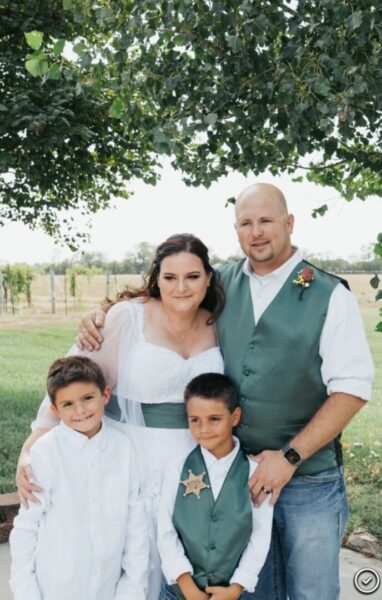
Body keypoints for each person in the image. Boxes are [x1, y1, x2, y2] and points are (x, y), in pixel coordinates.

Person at [72, 183, 374, 600]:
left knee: (312, 591)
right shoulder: (223, 283)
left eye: (266, 221)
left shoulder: (329, 294)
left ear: (289, 223)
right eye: (245, 223)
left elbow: (353, 389)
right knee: (250, 590)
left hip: (307, 477)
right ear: (236, 230)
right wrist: (103, 316)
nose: (257, 232)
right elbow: (166, 298)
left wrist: (289, 457)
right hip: (233, 478)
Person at [16, 233, 225, 600]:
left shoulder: (221, 323)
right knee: (135, 553)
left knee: (188, 561)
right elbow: (75, 380)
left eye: (192, 276)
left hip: (196, 459)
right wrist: (32, 445)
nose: (181, 287)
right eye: (170, 277)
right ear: (156, 277)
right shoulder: (126, 317)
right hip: (132, 455)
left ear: (208, 278)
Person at [10, 356, 149, 600]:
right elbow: (26, 528)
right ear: (54, 410)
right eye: (68, 404)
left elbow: (135, 525)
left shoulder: (123, 448)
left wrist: (132, 590)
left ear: (105, 395)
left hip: (109, 588)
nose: (80, 410)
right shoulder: (46, 453)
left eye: (87, 398)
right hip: (57, 587)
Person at [158, 373, 273, 600]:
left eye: (214, 419)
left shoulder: (255, 474)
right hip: (179, 593)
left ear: (235, 416)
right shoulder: (178, 468)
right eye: (195, 420)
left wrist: (238, 586)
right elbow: (165, 530)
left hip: (231, 593)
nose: (204, 429)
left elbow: (260, 535)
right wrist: (187, 585)